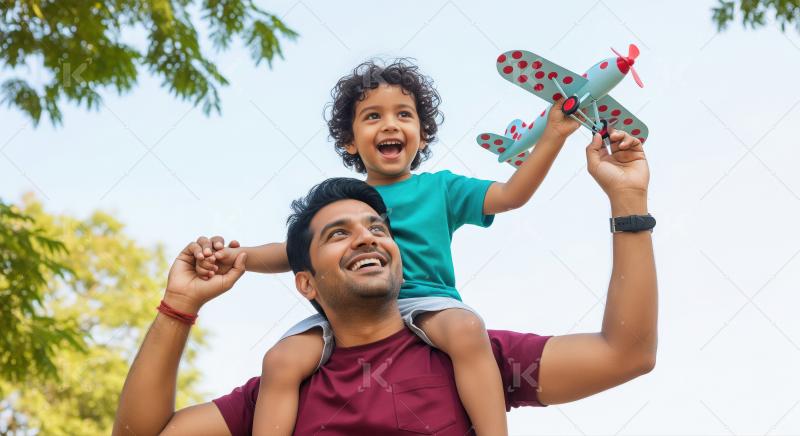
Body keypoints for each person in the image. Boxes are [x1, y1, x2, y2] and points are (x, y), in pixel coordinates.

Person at [113, 129, 657, 435]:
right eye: (339, 234)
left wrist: (628, 202)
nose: (368, 238)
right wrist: (179, 306)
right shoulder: (284, 384)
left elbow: (627, 353)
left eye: (377, 227)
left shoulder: (475, 356)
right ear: (306, 284)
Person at [193, 59, 586, 435]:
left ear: (422, 134)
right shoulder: (345, 205)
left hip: (427, 304)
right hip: (347, 316)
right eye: (373, 116)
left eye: (403, 114)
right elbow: (289, 253)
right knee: (280, 360)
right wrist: (238, 260)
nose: (389, 124)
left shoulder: (441, 188)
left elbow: (510, 195)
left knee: (468, 329)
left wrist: (551, 136)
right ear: (349, 141)